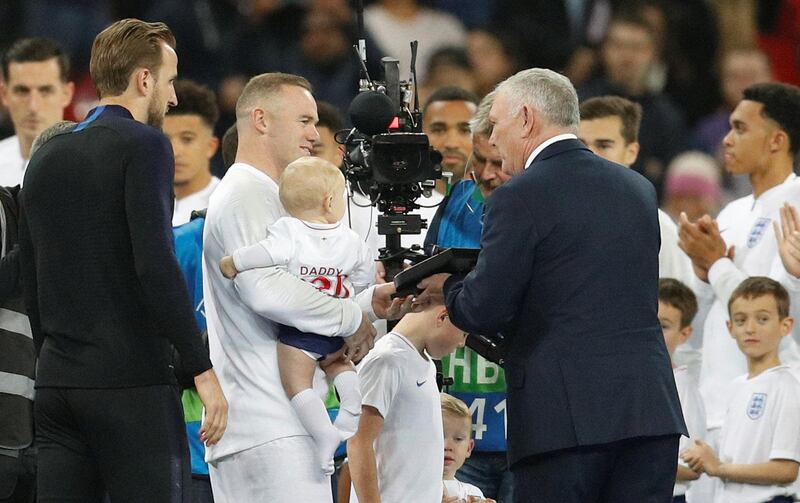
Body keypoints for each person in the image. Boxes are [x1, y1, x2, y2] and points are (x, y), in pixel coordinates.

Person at [417, 68, 686, 503]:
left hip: (562, 422)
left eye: (498, 126)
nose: (496, 139)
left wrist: (449, 284)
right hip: (649, 413)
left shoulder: (519, 195)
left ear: (525, 119)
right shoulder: (637, 188)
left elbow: (482, 310)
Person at [17, 18, 228, 502]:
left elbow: (32, 275)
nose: (173, 99)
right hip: (129, 386)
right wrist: (201, 369)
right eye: (170, 81)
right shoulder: (145, 143)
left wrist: (55, 359)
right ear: (145, 79)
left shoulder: (47, 153)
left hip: (56, 385)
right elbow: (154, 264)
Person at [202, 72, 406, 502]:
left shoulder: (272, 196)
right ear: (260, 119)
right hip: (267, 425)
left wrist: (367, 304)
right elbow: (265, 290)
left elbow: (308, 289)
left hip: (281, 426)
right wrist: (352, 318)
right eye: (304, 121)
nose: (315, 135)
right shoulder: (245, 194)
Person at [218, 156, 373, 475]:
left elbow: (264, 255)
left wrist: (235, 261)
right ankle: (351, 403)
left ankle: (324, 434)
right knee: (338, 363)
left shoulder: (288, 231)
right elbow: (365, 276)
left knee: (297, 383)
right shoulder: (352, 240)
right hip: (337, 327)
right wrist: (349, 297)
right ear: (331, 201)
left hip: (300, 330)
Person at [677, 83, 800, 480]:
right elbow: (699, 325)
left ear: (777, 140)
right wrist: (701, 276)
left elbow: (776, 315)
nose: (726, 140)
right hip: (714, 400)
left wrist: (716, 266)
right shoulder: (730, 213)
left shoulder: (796, 205)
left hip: (772, 404)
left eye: (740, 128)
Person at [426, 91, 514, 503]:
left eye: (497, 162)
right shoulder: (452, 204)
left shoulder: (542, 209)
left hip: (522, 427)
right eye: (480, 160)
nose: (485, 173)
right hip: (453, 433)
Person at [681, 277, 800, 503]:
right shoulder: (737, 386)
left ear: (785, 325)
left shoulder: (788, 386)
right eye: (741, 320)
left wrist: (718, 467)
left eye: (763, 319)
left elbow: (786, 470)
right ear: (730, 328)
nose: (750, 328)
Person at [347, 304, 468, 503]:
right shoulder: (387, 360)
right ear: (442, 317)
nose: (462, 343)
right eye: (463, 333)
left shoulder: (426, 364)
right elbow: (358, 443)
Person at [579, 95, 694, 286]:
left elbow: (679, 305)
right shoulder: (549, 219)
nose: (588, 155)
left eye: (604, 145)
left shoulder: (656, 228)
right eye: (581, 145)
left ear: (631, 152)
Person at [407, 86, 478, 249]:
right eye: (438, 129)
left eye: (465, 130)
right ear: (420, 134)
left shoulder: (496, 206)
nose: (451, 143)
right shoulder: (396, 208)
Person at [657, 278, 707, 502]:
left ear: (685, 333)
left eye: (664, 326)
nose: (653, 332)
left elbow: (692, 468)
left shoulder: (682, 388)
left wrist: (633, 459)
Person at [0, 37, 74, 187]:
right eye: (22, 91)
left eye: (45, 91)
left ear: (67, 93)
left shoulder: (92, 166)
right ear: (4, 94)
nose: (33, 106)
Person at [164, 79, 220, 226]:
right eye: (165, 140)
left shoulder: (227, 203)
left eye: (187, 139)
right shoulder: (142, 204)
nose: (175, 152)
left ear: (211, 146)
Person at [441, 393, 496, 503]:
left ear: (469, 448)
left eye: (458, 439)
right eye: (441, 437)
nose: (448, 447)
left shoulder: (473, 493)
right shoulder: (410, 489)